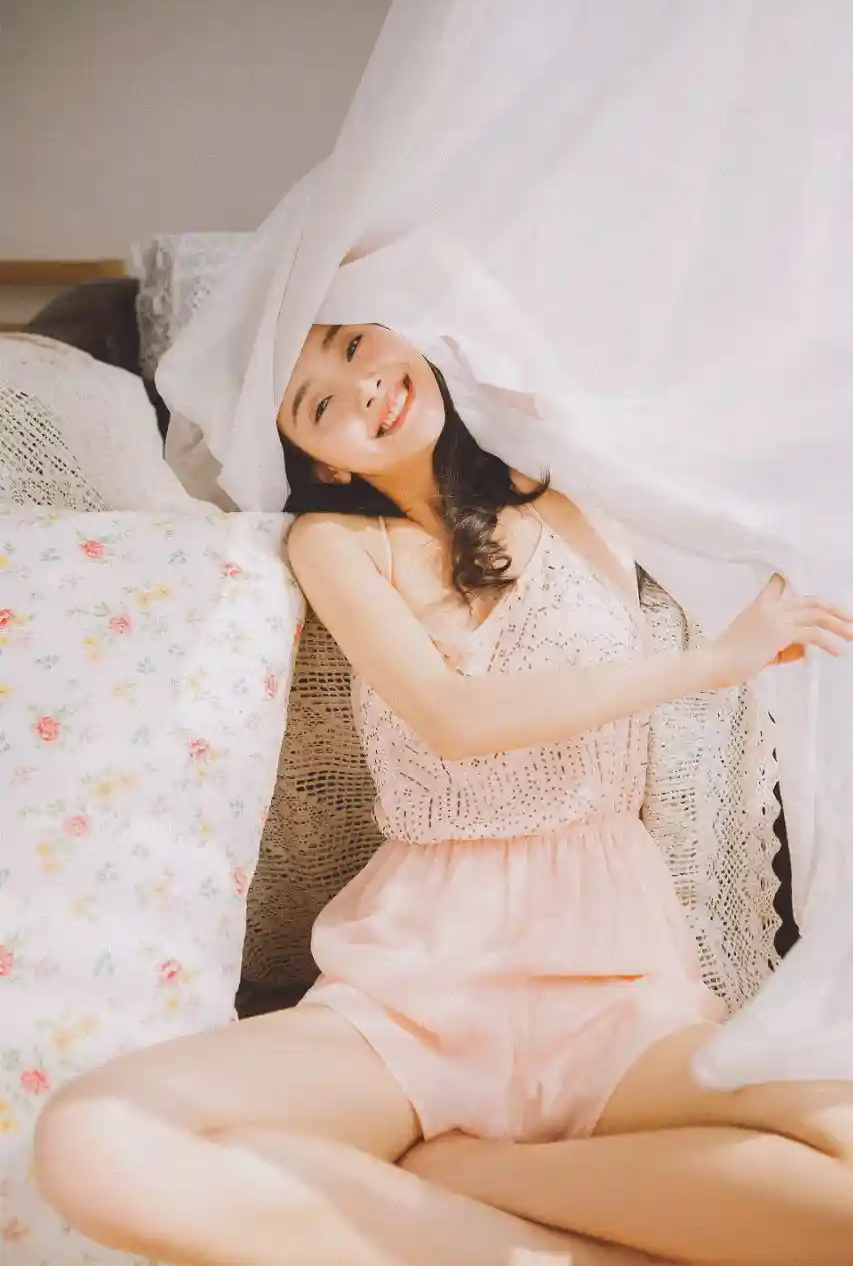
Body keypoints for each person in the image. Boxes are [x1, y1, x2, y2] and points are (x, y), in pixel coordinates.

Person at [34, 322, 853, 1265]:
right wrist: (710, 664)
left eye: (354, 344)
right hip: (418, 993)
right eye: (318, 404)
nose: (361, 388)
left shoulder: (570, 495)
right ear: (322, 462)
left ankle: (468, 1181)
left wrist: (474, 1174)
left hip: (618, 993)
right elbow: (452, 719)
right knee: (97, 1140)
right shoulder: (338, 542)